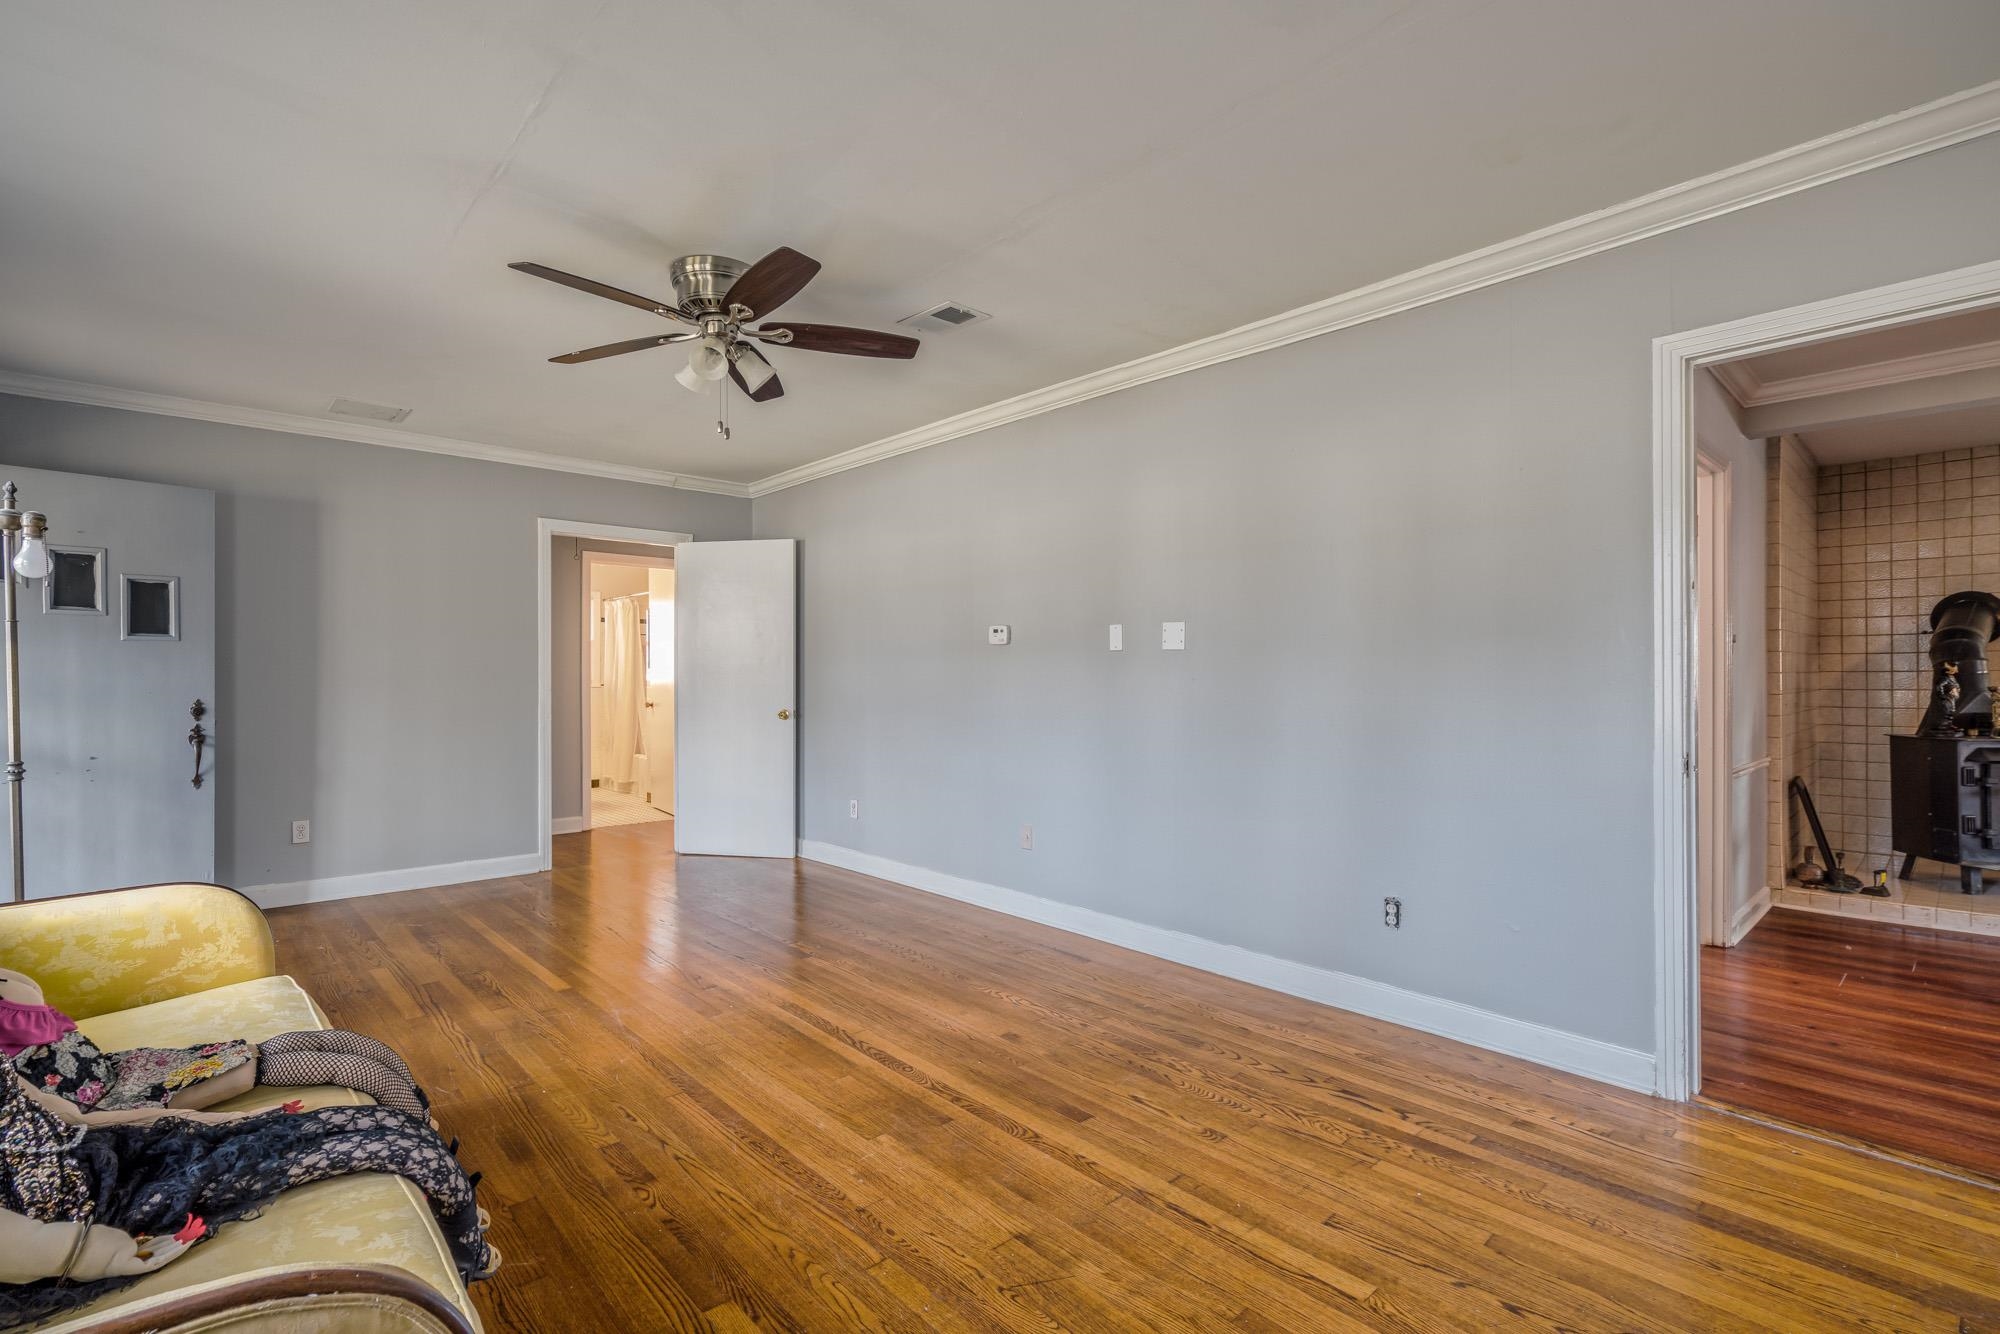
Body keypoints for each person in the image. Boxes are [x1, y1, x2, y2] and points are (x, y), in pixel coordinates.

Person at [0, 1065, 496, 1328]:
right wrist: (94, 1253)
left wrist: (235, 1124)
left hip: (115, 1156)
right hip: (100, 1214)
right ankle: (468, 1256)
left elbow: (77, 1120)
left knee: (387, 1127)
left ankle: (463, 1238)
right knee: (397, 1150)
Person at [0, 968, 431, 1120]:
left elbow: (28, 993)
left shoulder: (12, 996)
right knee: (352, 1070)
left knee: (336, 1042)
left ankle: (419, 1108)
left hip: (128, 1066)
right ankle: (421, 1132)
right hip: (123, 1101)